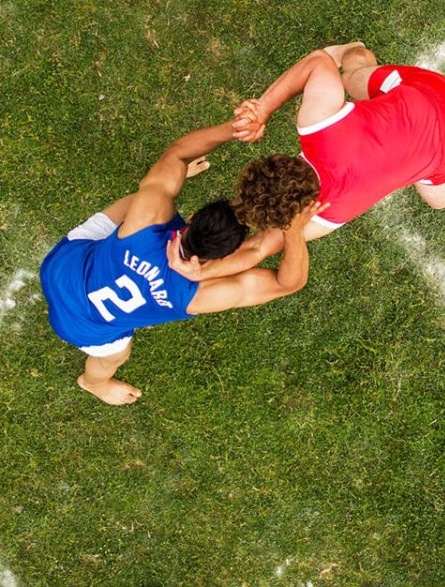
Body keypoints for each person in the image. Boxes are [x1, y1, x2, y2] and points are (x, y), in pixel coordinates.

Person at [39, 120, 327, 405]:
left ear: (192, 219)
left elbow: (177, 152)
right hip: (80, 327)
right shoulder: (197, 296)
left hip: (60, 269)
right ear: (225, 256)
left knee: (146, 197)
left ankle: (168, 180)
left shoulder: (150, 216)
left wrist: (233, 130)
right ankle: (93, 383)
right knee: (115, 356)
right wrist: (294, 231)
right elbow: (287, 284)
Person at [170, 42, 445, 277]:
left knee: (442, 199)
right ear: (274, 160)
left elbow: (259, 248)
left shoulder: (330, 213)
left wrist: (203, 270)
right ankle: (354, 49)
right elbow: (319, 61)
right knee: (351, 76)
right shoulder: (317, 124)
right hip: (431, 91)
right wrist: (263, 108)